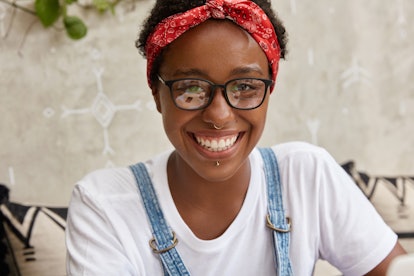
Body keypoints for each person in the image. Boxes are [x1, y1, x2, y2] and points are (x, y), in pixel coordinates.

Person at [65, 0, 407, 275]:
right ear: (157, 94)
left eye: (244, 87)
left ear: (270, 89)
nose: (219, 115)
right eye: (191, 88)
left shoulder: (306, 176)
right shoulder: (104, 206)